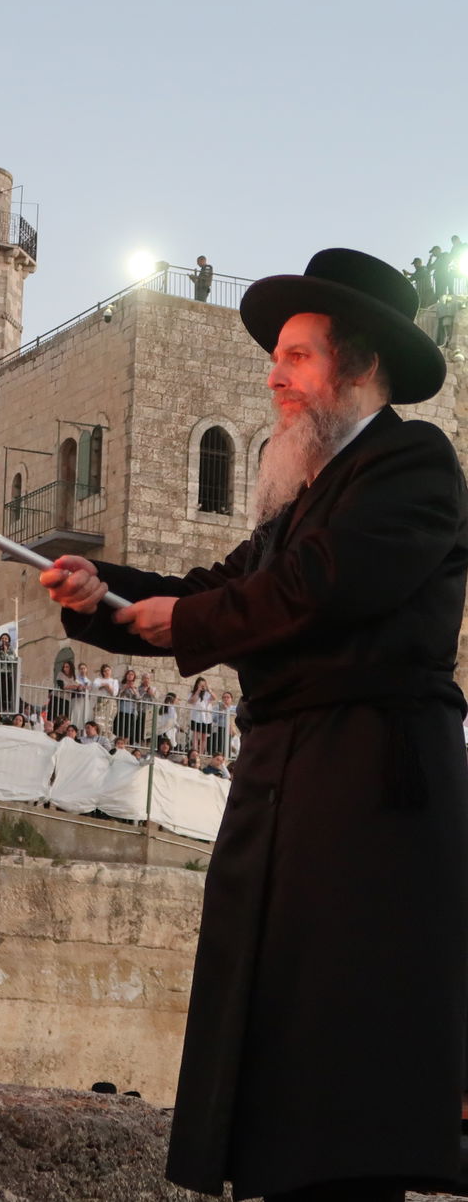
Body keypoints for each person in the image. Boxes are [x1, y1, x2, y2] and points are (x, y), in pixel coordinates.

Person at [40, 248, 468, 1202]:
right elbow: (220, 590)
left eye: (296, 357)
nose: (272, 377)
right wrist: (103, 595)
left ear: (357, 368)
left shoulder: (412, 466)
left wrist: (187, 622)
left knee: (342, 1064)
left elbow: (319, 591)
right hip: (287, 782)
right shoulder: (306, 494)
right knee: (276, 1047)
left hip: (368, 793)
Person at [186, 676, 214, 756]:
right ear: (197, 685)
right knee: (195, 735)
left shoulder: (207, 693)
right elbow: (191, 701)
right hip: (196, 716)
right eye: (201, 685)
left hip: (206, 717)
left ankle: (201, 753)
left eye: (203, 685)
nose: (202, 686)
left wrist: (209, 689)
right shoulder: (193, 693)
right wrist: (198, 691)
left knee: (204, 736)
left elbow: (214, 698)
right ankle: (194, 751)